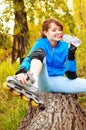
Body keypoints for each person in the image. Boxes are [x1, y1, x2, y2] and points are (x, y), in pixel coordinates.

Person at [6, 18, 86, 102]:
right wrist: (21, 71)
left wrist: (71, 53)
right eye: (54, 30)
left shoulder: (65, 46)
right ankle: (31, 81)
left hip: (57, 82)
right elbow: (29, 59)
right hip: (41, 80)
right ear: (45, 32)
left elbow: (71, 75)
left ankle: (32, 87)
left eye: (60, 30)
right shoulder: (41, 43)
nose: (58, 32)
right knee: (39, 53)